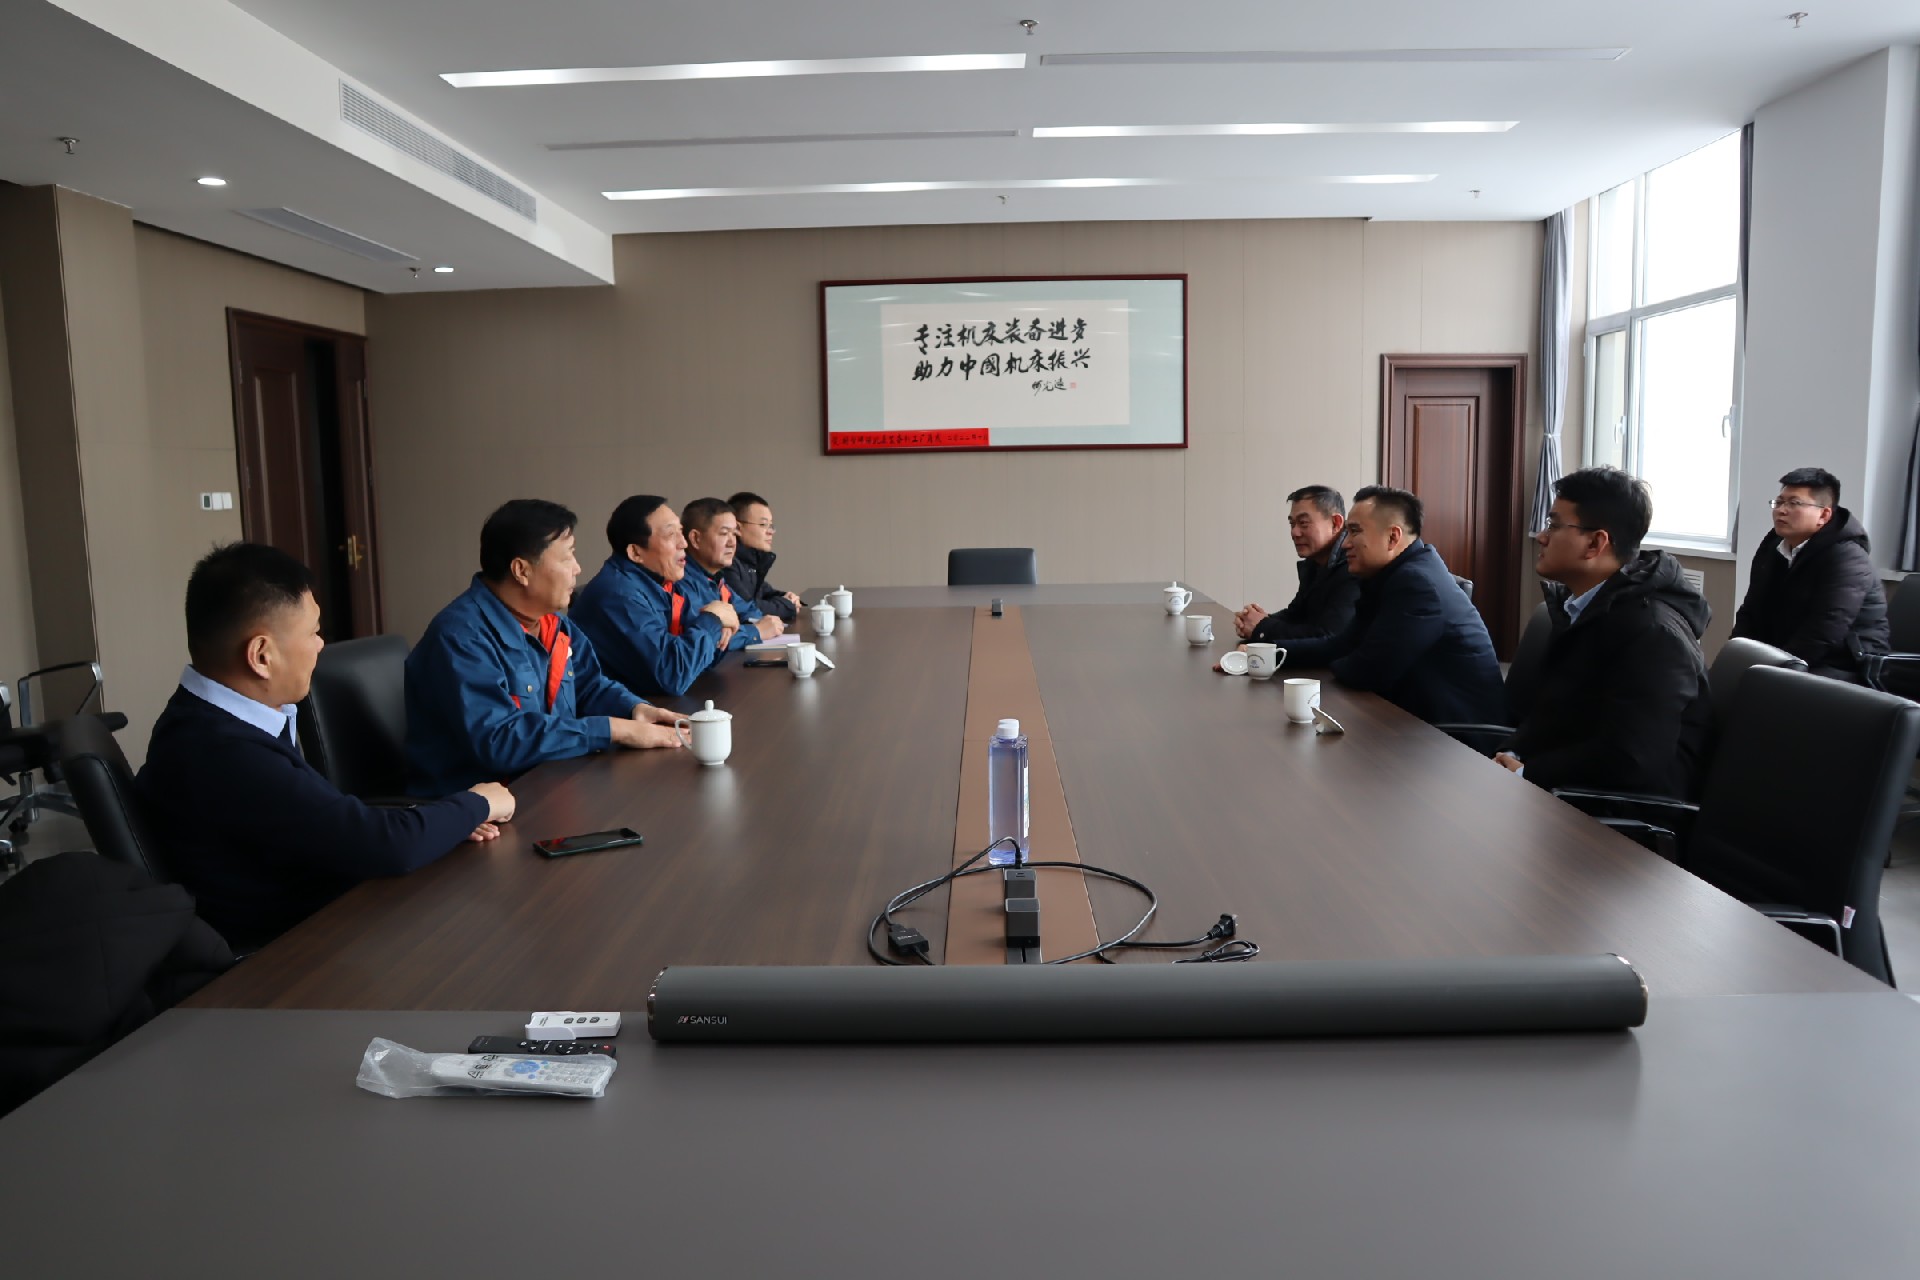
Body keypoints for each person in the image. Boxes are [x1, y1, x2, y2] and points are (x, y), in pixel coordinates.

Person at [138, 543, 516, 951]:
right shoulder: (223, 752)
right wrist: (478, 802)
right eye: (313, 633)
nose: (320, 645)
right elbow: (385, 845)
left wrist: (444, 820)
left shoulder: (207, 717)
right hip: (294, 952)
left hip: (322, 906)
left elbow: (327, 820)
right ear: (261, 656)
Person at [407, 499, 684, 795]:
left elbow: (588, 686)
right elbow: (499, 741)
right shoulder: (460, 636)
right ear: (521, 571)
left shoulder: (552, 623)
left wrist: (634, 709)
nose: (577, 568)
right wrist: (614, 730)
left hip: (548, 782)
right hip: (480, 808)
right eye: (567, 558)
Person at [1492, 467, 1713, 798]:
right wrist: (1512, 753)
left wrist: (1528, 773)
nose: (1542, 537)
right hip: (1564, 786)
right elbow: (1551, 714)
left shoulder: (1652, 633)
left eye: (1554, 525)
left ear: (1596, 543)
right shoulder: (1583, 607)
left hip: (1617, 811)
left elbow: (1631, 758)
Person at [1280, 486, 1504, 725]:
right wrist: (1274, 653)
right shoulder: (1387, 577)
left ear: (1393, 538)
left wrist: (1338, 661)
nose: (1345, 544)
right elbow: (1342, 645)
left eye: (1354, 531)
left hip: (1454, 735)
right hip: (1410, 720)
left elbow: (1368, 671)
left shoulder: (1418, 584)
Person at [572, 495, 742, 697]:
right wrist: (713, 619)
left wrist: (718, 626)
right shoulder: (618, 595)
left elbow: (702, 660)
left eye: (681, 532)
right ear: (635, 553)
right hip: (614, 712)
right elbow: (673, 675)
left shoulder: (663, 583)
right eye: (671, 535)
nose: (683, 543)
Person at [1731, 466, 1890, 681]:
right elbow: (1751, 609)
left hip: (1847, 663)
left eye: (1794, 503)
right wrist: (1735, 653)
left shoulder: (1848, 557)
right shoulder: (1774, 546)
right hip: (1792, 655)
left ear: (1824, 514)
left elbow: (1826, 629)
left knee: (1763, 691)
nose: (1781, 510)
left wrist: (1778, 671)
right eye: (1779, 502)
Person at [1234, 484, 1360, 643]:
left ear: (1335, 523)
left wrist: (1262, 627)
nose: (1294, 532)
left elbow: (1329, 635)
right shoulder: (1315, 563)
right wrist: (1253, 620)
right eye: (1292, 524)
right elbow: (1296, 615)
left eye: (1303, 523)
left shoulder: (1353, 566)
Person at [679, 496, 786, 652]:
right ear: (695, 539)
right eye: (724, 534)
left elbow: (751, 612)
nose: (732, 543)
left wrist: (738, 628)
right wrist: (756, 631)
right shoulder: (682, 582)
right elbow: (706, 641)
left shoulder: (716, 579)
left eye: (734, 534)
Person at [725, 491, 801, 622]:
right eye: (763, 525)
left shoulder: (749, 561)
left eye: (771, 525)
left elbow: (766, 593)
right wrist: (788, 605)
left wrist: (787, 597)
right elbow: (747, 607)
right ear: (737, 527)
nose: (770, 532)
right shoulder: (727, 562)